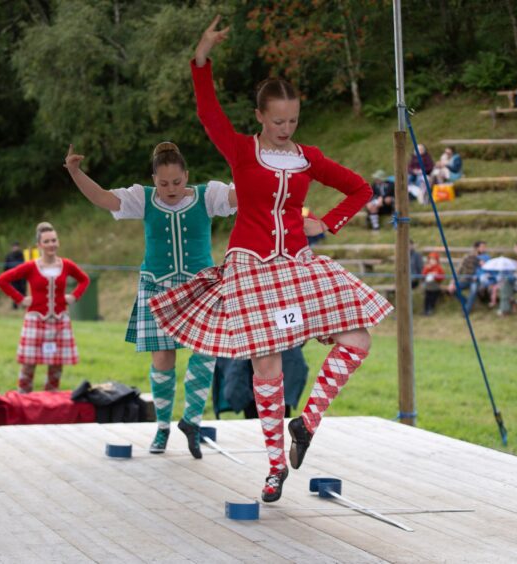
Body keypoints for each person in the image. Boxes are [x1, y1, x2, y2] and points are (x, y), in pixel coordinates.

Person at [149, 16, 393, 503]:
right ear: (260, 116)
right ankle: (275, 467)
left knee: (358, 337)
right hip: (251, 265)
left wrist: (327, 221)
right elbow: (207, 112)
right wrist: (201, 58)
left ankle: (306, 421)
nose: (286, 129)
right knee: (267, 364)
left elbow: (361, 188)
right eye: (278, 121)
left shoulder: (309, 157)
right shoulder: (241, 151)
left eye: (293, 121)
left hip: (298, 263)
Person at [65, 141, 237, 458]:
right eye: (163, 183)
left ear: (187, 175)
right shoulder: (142, 199)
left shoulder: (207, 195)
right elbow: (103, 198)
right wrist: (76, 172)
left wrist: (257, 163)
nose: (170, 188)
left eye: (177, 181)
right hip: (157, 287)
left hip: (200, 288)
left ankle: (192, 423)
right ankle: (161, 428)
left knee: (206, 354)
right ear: (153, 179)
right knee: (162, 360)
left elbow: (242, 194)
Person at [0, 222, 90, 393]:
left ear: (58, 242)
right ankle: (24, 400)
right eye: (46, 241)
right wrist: (20, 299)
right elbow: (2, 280)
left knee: (56, 367)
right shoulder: (31, 267)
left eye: (54, 240)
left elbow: (84, 280)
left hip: (60, 319)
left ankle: (51, 399)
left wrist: (74, 296)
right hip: (35, 320)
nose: (51, 244)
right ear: (39, 245)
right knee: (28, 366)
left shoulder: (66, 265)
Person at [447, 241, 487, 314]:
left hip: (477, 281)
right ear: (476, 248)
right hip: (466, 279)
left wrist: (484, 265)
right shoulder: (467, 257)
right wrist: (452, 283)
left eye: (485, 247)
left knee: (473, 290)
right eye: (483, 247)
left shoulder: (486, 258)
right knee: (454, 289)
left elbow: (487, 271)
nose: (485, 249)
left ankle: (466, 311)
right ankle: (467, 303)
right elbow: (458, 270)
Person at [3, 242, 27, 309]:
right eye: (14, 246)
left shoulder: (22, 255)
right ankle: (15, 307)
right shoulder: (9, 256)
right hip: (13, 277)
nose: (15, 248)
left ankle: (24, 306)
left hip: (22, 276)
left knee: (23, 290)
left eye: (16, 246)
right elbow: (6, 267)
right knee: (14, 290)